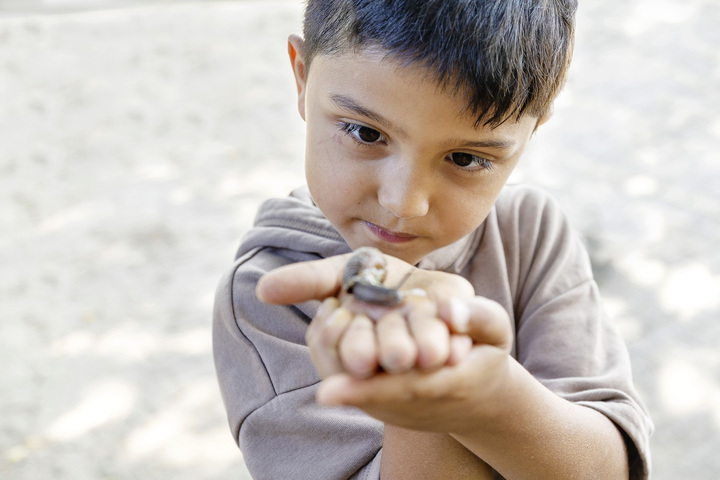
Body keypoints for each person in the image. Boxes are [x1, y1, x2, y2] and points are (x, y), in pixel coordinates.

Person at [212, 0, 653, 478]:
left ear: (533, 130)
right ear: (302, 78)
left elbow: (609, 469)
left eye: (465, 159)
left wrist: (484, 396)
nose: (405, 202)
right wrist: (422, 391)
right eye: (365, 132)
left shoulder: (531, 233)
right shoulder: (271, 296)